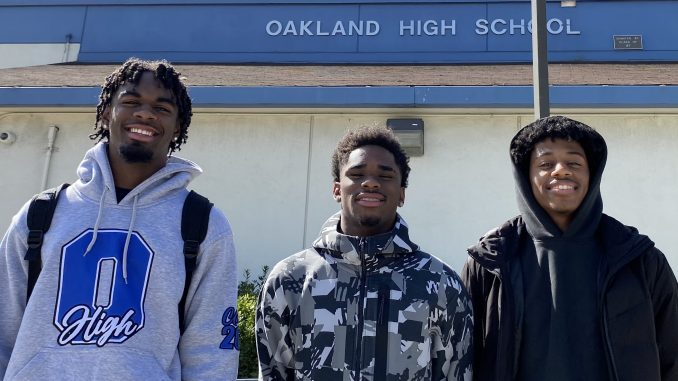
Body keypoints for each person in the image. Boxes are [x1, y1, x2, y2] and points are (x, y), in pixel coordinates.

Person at [0, 58, 239, 380]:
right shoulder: (41, 214)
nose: (145, 113)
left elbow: (211, 348)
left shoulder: (202, 223)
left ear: (178, 127)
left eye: (163, 107)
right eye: (131, 102)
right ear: (105, 113)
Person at [462, 115, 678, 381]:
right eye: (546, 163)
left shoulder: (641, 260)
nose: (561, 170)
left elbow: (672, 356)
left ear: (592, 173)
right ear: (525, 175)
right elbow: (463, 360)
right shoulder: (490, 262)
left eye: (574, 162)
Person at [256, 125, 473, 381]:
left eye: (385, 175)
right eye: (357, 174)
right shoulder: (290, 279)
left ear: (402, 194)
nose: (370, 182)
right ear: (337, 189)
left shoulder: (440, 285)